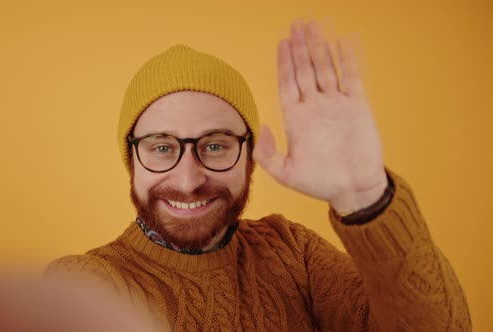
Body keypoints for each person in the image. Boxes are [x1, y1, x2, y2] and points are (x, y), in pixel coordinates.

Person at [47, 19, 471, 331]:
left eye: (214, 145)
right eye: (162, 147)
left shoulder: (295, 253)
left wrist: (365, 194)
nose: (189, 178)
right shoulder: (86, 285)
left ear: (249, 157)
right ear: (132, 159)